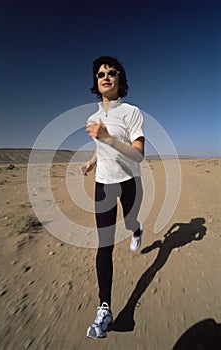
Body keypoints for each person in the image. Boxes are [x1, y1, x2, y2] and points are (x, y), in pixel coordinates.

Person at [80, 56, 145, 339]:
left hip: (128, 182)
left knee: (130, 221)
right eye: (100, 74)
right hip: (103, 185)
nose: (105, 76)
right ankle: (105, 308)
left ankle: (137, 229)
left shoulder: (132, 112)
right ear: (96, 82)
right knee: (104, 246)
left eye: (111, 72)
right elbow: (100, 148)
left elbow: (138, 154)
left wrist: (108, 138)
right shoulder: (94, 118)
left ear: (120, 79)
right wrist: (91, 162)